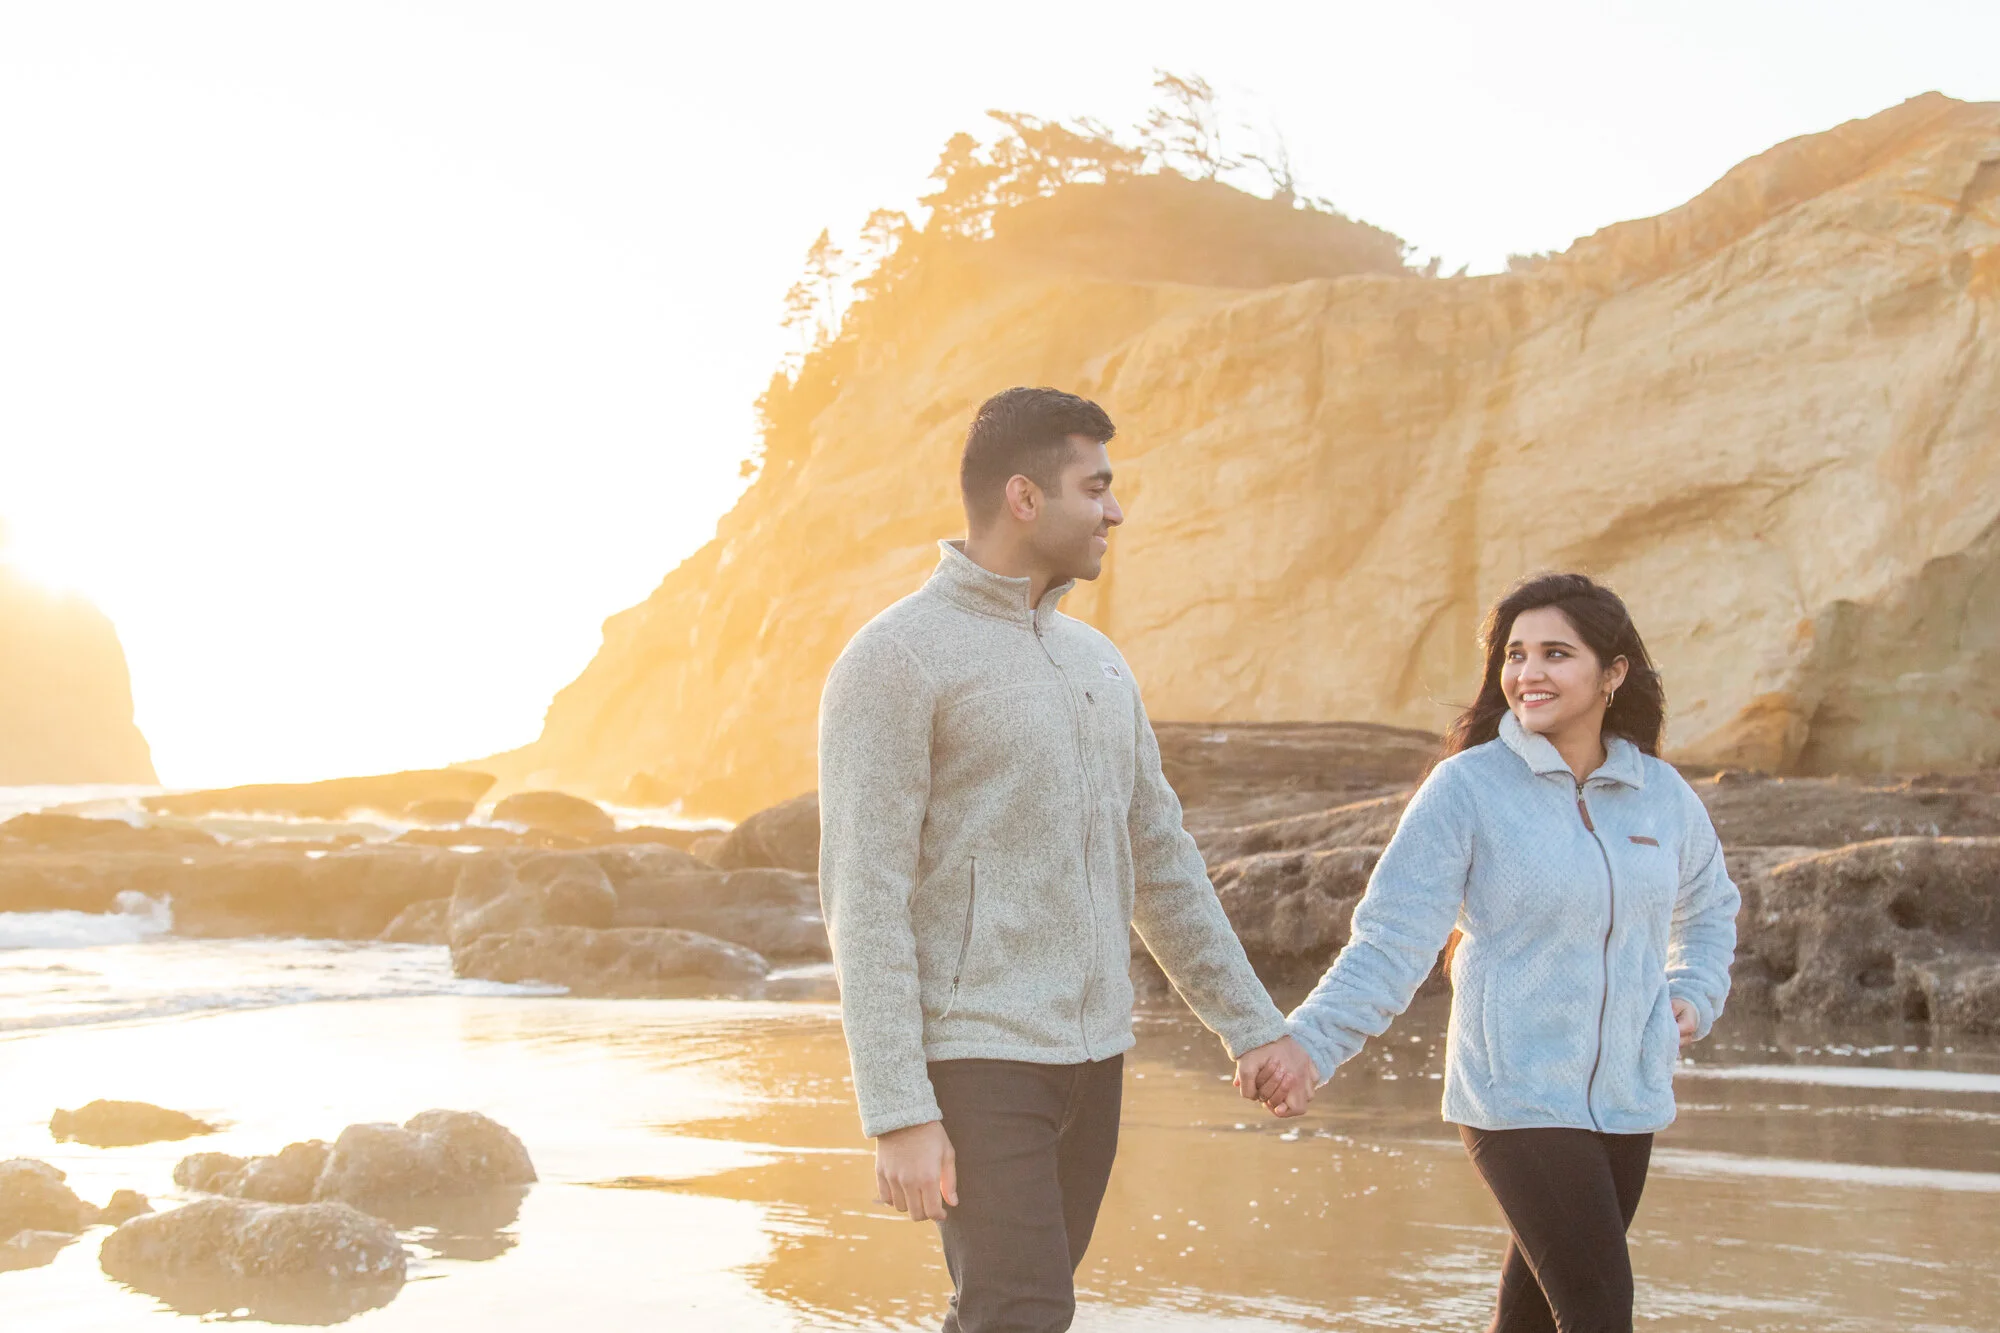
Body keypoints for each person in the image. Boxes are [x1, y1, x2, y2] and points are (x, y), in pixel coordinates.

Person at [817, 386, 1314, 1333]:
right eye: (1098, 488)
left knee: (1016, 1313)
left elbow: (1160, 862)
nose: (1116, 512)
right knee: (1023, 1311)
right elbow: (864, 897)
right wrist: (896, 1108)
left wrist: (1251, 1025)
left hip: (1095, 1058)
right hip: (976, 1059)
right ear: (1025, 498)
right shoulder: (896, 659)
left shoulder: (1100, 664)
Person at [1276, 573, 1739, 1333]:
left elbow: (1711, 905)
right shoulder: (1468, 787)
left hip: (1629, 1096)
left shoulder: (1661, 794)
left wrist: (1691, 988)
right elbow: (1392, 939)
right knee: (1598, 1307)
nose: (1528, 673)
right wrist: (1311, 1045)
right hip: (1515, 1094)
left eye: (1557, 653)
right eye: (1515, 654)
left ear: (1612, 673)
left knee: (1529, 1317)